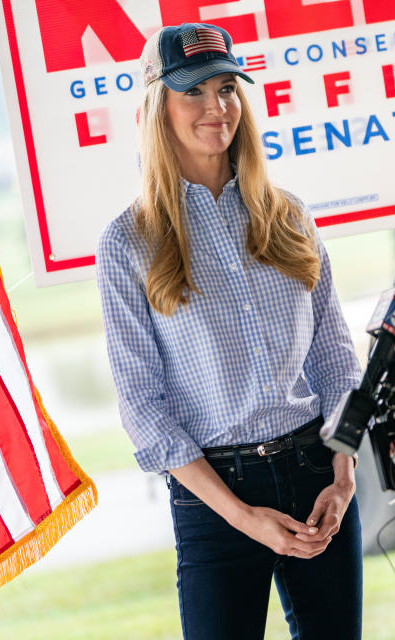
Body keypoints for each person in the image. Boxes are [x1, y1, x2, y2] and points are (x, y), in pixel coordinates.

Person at [96, 24, 362, 639]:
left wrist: (344, 474)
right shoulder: (128, 244)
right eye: (194, 93)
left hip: (320, 475)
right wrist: (242, 515)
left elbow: (335, 359)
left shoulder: (289, 216)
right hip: (214, 499)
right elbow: (143, 407)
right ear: (156, 109)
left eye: (227, 88)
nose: (217, 108)